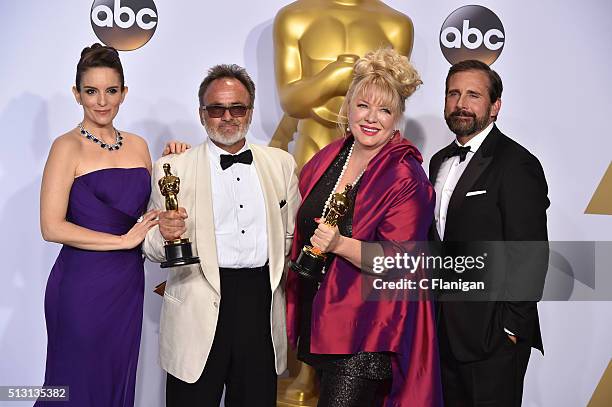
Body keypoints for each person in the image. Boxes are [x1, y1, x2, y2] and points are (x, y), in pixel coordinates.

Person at [285, 48, 442, 406]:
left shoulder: (405, 176)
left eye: (384, 110)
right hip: (322, 322)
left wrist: (340, 244)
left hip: (365, 333)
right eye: (363, 106)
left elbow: (402, 261)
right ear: (349, 106)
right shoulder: (331, 156)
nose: (372, 118)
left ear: (398, 117)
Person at [142, 64, 300, 406]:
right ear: (202, 114)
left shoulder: (282, 164)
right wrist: (165, 236)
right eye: (216, 109)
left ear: (251, 112)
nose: (227, 117)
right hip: (196, 306)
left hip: (261, 308)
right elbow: (149, 244)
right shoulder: (171, 167)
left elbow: (289, 235)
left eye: (237, 108)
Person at [37, 43, 160, 406]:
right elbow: (52, 227)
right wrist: (122, 241)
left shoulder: (138, 145)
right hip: (80, 288)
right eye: (91, 91)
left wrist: (176, 164)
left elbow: (149, 211)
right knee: (75, 387)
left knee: (117, 377)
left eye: (111, 90)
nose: (101, 101)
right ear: (77, 95)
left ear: (124, 92)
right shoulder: (66, 147)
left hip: (127, 286)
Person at [429, 60, 549, 406]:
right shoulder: (438, 161)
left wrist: (511, 329)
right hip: (444, 334)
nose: (460, 103)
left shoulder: (516, 164)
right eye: (453, 93)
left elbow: (531, 254)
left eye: (473, 95)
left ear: (495, 106)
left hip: (493, 339)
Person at [271, 0, 414, 170]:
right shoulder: (293, 17)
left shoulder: (397, 25)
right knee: (308, 194)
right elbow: (290, 102)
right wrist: (332, 78)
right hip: (314, 142)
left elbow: (393, 103)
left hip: (372, 151)